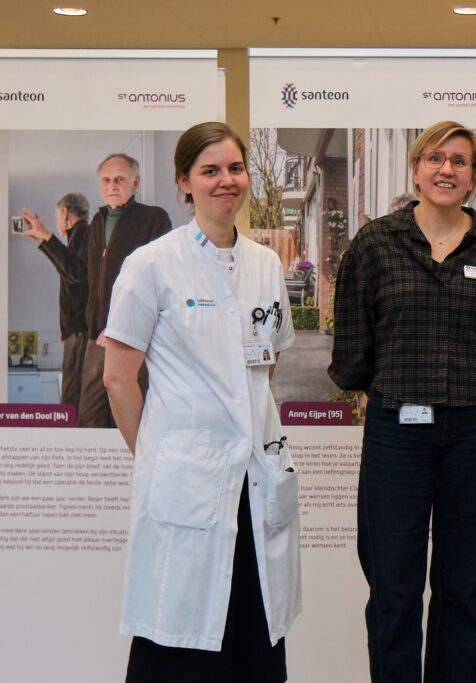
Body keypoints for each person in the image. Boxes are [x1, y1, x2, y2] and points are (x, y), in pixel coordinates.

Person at [329, 120, 476, 682]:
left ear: (472, 177)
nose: (447, 169)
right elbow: (351, 353)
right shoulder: (375, 244)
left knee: (464, 588)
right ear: (416, 168)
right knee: (393, 588)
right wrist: (397, 388)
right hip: (398, 435)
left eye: (460, 161)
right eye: (436, 158)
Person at [103, 122, 301, 683]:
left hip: (256, 476)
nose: (226, 181)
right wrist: (160, 456)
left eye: (234, 168)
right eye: (210, 170)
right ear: (183, 182)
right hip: (189, 482)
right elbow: (118, 378)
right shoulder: (151, 264)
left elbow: (269, 360)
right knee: (181, 634)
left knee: (254, 635)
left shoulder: (266, 264)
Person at [80, 153, 172, 427]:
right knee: (89, 421)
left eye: (120, 179)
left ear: (136, 182)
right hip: (98, 340)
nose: (112, 185)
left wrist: (122, 325)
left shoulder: (153, 218)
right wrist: (46, 239)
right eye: (106, 180)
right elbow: (81, 274)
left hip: (136, 342)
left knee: (136, 420)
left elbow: (162, 281)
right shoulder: (97, 222)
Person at [17, 193, 91, 407]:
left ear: (64, 212)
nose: (57, 221)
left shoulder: (83, 232)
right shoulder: (79, 236)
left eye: (56, 216)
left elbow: (76, 272)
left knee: (71, 397)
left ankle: (73, 441)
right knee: (71, 395)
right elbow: (69, 272)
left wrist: (47, 237)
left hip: (79, 331)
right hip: (75, 330)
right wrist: (43, 241)